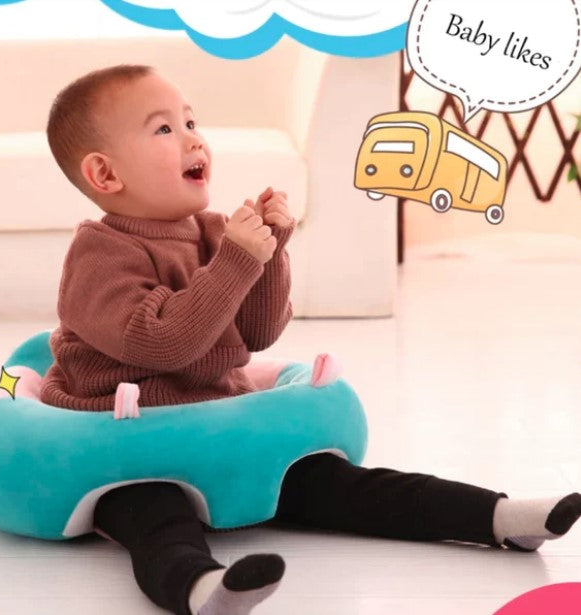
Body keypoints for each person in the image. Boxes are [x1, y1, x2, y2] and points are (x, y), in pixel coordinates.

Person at [41, 64, 581, 615]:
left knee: (338, 484)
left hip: (213, 427)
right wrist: (237, 260)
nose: (193, 139)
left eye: (191, 122)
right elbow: (162, 343)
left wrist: (270, 251)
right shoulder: (98, 254)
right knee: (152, 516)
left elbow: (257, 333)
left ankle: (497, 516)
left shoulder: (215, 232)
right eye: (164, 129)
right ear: (105, 174)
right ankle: (203, 589)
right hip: (129, 445)